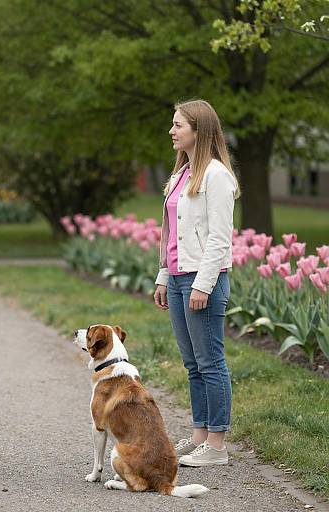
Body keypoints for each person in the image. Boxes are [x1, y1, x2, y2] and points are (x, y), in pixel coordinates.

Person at [153, 99, 240, 467]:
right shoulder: (181, 175)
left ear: (198, 131)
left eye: (178, 125)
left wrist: (202, 285)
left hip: (203, 280)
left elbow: (220, 238)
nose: (172, 131)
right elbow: (169, 234)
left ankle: (217, 445)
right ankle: (200, 436)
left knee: (210, 361)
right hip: (176, 278)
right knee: (192, 363)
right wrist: (163, 276)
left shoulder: (217, 176)